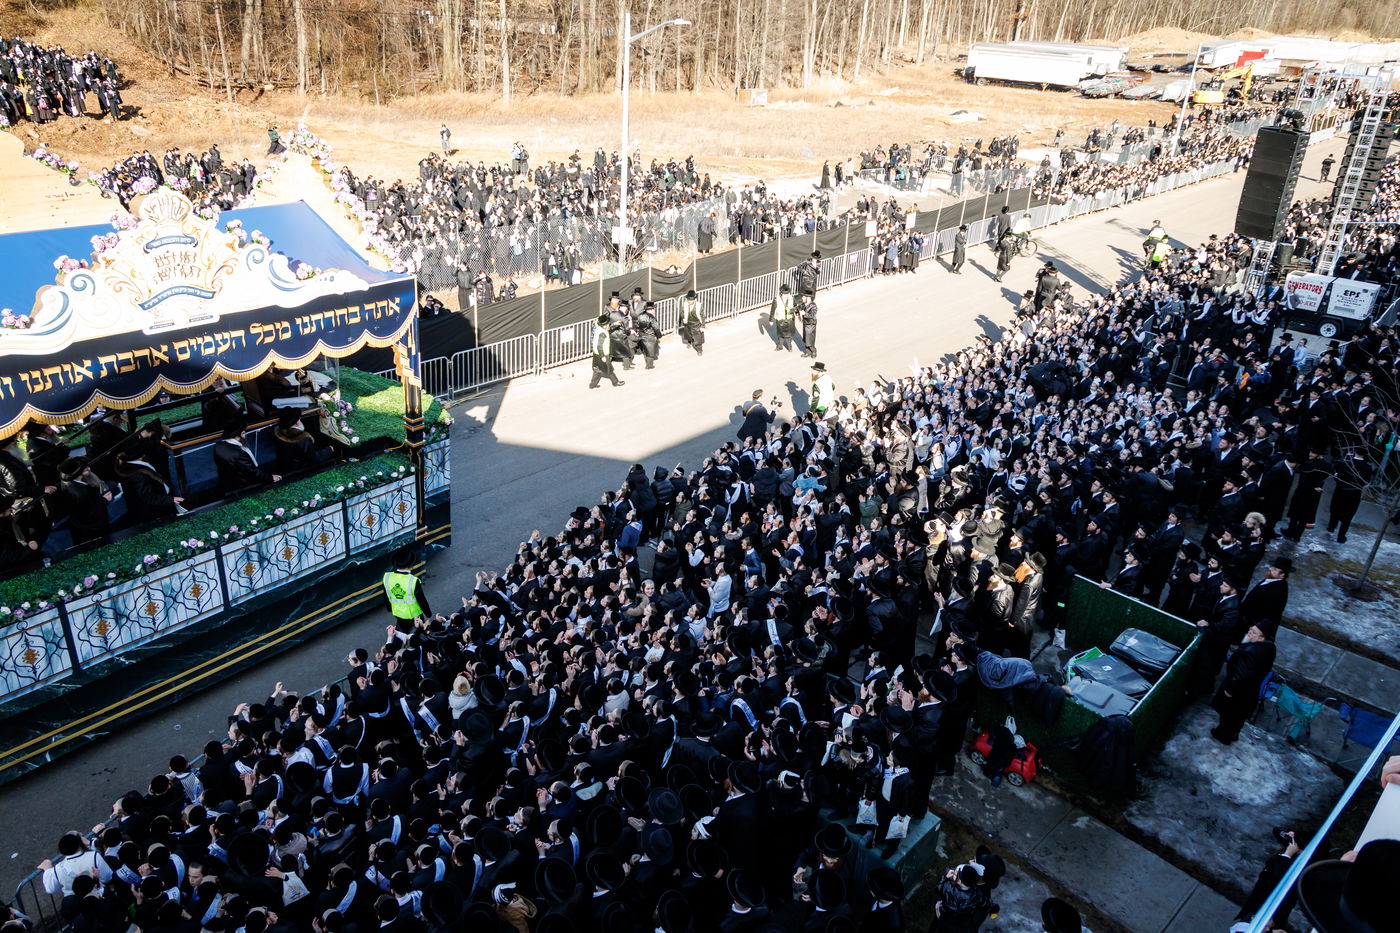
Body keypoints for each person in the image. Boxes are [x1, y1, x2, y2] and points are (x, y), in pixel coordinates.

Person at [1212, 621, 1277, 744]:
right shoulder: (1269, 648)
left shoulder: (1250, 652)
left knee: (1228, 714)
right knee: (1239, 716)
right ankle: (1234, 734)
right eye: (1251, 629)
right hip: (1250, 690)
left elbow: (1241, 674)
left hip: (1238, 690)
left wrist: (1230, 689)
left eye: (1253, 632)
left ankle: (1222, 736)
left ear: (1261, 638)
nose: (1249, 633)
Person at [213, 425, 282, 494]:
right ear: (237, 436)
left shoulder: (218, 445)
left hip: (226, 482)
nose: (245, 435)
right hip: (241, 486)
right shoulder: (239, 454)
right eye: (243, 433)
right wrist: (270, 477)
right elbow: (252, 471)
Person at [59, 457, 112, 547]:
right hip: (92, 531)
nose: (89, 468)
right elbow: (89, 514)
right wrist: (105, 500)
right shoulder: (80, 492)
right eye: (85, 468)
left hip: (81, 529)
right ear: (76, 472)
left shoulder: (69, 483)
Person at [381, 548, 430, 624]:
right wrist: (428, 614)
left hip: (397, 613)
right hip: (415, 615)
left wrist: (390, 609)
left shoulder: (387, 577)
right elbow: (421, 600)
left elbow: (386, 596)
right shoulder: (413, 580)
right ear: (410, 565)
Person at [589, 312, 623, 389]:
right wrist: (603, 356)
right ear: (605, 325)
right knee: (609, 369)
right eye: (608, 324)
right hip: (603, 354)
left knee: (597, 369)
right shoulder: (602, 333)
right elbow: (600, 346)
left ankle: (592, 385)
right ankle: (615, 382)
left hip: (596, 354)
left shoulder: (599, 329)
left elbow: (608, 328)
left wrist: (615, 324)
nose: (609, 325)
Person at [770, 283, 797, 352]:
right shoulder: (776, 299)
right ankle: (780, 346)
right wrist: (770, 319)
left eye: (787, 293)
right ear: (781, 293)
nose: (786, 294)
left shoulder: (792, 298)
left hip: (789, 318)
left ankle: (789, 347)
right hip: (780, 319)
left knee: (789, 334)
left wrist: (797, 313)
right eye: (785, 293)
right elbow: (773, 309)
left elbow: (795, 306)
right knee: (780, 334)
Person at [678, 289, 705, 355]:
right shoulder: (685, 304)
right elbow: (682, 313)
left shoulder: (699, 305)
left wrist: (703, 326)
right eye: (689, 300)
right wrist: (683, 319)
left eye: (691, 300)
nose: (690, 301)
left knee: (697, 338)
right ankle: (689, 342)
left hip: (696, 323)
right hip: (688, 323)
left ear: (694, 299)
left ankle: (699, 350)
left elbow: (702, 316)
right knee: (688, 334)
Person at [635, 301, 661, 370]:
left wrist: (638, 331)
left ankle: (648, 362)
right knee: (650, 350)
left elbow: (637, 325)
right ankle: (649, 365)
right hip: (650, 335)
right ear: (652, 309)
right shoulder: (652, 317)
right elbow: (656, 328)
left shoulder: (640, 315)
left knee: (645, 350)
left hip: (641, 334)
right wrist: (659, 336)